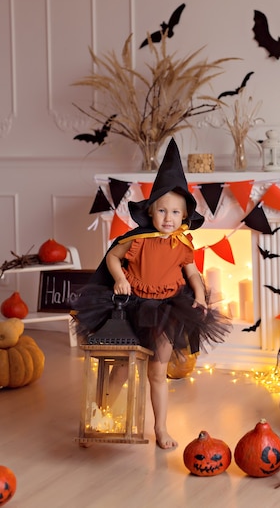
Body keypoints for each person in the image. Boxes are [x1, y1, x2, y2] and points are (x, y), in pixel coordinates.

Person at [72, 138, 231, 449]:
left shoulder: (183, 244)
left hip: (167, 309)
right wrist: (119, 279)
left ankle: (160, 428)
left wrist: (199, 295)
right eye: (162, 210)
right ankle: (101, 419)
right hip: (131, 306)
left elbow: (193, 273)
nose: (168, 217)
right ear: (150, 211)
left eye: (175, 212)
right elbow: (112, 258)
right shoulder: (138, 239)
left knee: (158, 372)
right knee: (121, 369)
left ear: (184, 217)